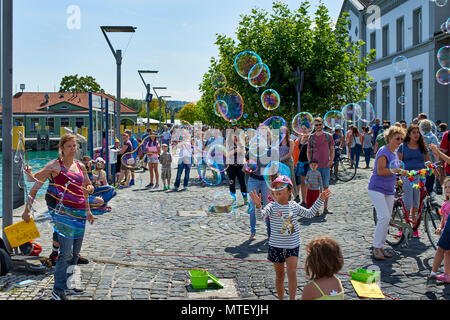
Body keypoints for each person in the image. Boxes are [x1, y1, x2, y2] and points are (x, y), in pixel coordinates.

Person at [22, 133, 95, 300]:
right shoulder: (54, 166)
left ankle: (70, 285)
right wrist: (27, 210)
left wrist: (89, 203)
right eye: (69, 146)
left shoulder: (80, 166)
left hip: (79, 214)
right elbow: (33, 182)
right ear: (61, 148)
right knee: (66, 253)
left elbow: (87, 186)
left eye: (74, 146)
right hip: (63, 215)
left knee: (75, 253)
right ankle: (58, 290)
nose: (72, 149)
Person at [249, 175, 331, 300]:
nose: (277, 189)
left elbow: (309, 214)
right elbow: (260, 217)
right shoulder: (271, 206)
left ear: (289, 191)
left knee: (292, 273)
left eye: (280, 187)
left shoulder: (293, 205)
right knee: (280, 275)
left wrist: (319, 199)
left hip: (292, 245)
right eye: (275, 187)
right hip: (276, 246)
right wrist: (258, 206)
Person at [368, 126, 407, 260]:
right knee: (384, 217)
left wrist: (399, 176)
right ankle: (376, 248)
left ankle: (381, 246)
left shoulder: (394, 151)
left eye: (401, 139)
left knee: (386, 219)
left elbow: (393, 170)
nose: (400, 141)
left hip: (389, 190)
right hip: (376, 188)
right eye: (397, 138)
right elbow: (380, 171)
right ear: (389, 138)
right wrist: (396, 171)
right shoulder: (383, 150)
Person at [398, 124, 431, 237]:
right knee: (407, 203)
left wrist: (431, 168)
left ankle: (415, 227)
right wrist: (401, 174)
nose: (416, 134)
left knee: (417, 203)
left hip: (420, 177)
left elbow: (428, 161)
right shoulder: (403, 147)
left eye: (418, 132)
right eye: (414, 132)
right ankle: (404, 227)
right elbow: (399, 163)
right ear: (409, 134)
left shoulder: (422, 146)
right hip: (407, 176)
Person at [307, 117, 334, 215]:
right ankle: (316, 209)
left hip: (326, 165)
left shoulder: (329, 136)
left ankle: (325, 208)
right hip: (315, 167)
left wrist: (331, 160)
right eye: (316, 125)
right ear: (314, 126)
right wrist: (310, 162)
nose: (318, 126)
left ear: (323, 125)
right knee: (315, 188)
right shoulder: (311, 137)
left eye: (320, 124)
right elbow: (308, 151)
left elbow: (332, 149)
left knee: (325, 187)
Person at [428, 177, 450, 285]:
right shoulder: (446, 203)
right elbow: (443, 218)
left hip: (448, 231)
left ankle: (433, 273)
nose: (447, 189)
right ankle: (447, 274)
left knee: (440, 249)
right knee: (447, 252)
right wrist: (440, 227)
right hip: (446, 230)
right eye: (446, 187)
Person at [225, 131, 248, 204]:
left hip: (240, 166)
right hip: (231, 166)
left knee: (242, 183)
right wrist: (235, 150)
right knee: (232, 183)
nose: (235, 138)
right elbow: (226, 154)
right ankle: (233, 199)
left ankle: (245, 199)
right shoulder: (228, 144)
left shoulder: (241, 144)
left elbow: (244, 152)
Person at [293, 125, 311, 206]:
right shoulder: (300, 139)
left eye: (305, 128)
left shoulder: (311, 138)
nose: (303, 130)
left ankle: (308, 200)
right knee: (303, 183)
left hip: (308, 163)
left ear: (309, 129)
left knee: (308, 183)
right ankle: (304, 200)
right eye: (302, 129)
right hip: (301, 162)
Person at [420, 119, 440, 194]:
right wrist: (437, 165)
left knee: (421, 183)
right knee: (430, 183)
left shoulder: (419, 137)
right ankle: (429, 196)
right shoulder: (433, 137)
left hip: (421, 164)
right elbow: (436, 152)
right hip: (430, 163)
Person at [279, 126, 297, 199]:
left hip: (288, 162)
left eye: (284, 131)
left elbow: (290, 154)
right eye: (281, 132)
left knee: (290, 179)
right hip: (280, 163)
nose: (282, 133)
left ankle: (294, 195)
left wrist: (280, 159)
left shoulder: (290, 141)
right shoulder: (278, 141)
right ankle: (284, 196)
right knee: (281, 180)